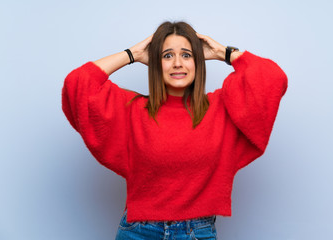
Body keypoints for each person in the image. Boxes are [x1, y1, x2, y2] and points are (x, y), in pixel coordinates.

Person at [62, 21, 288, 240]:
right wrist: (133, 54)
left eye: (187, 55)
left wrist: (223, 53)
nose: (177, 63)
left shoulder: (222, 108)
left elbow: (272, 78)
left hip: (197, 232)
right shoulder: (132, 110)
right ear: (154, 62)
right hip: (139, 232)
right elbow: (77, 84)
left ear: (198, 61)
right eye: (167, 55)